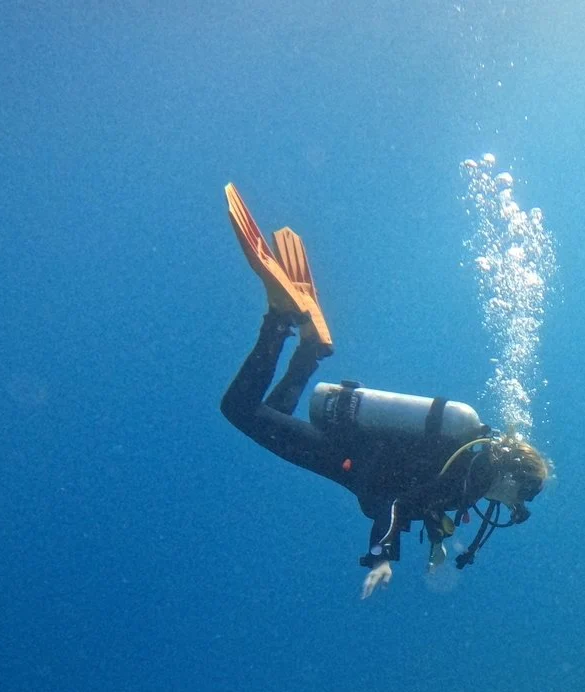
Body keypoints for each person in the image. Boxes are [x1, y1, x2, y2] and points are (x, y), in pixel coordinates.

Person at [218, 184, 549, 598]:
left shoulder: (472, 464)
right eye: (523, 495)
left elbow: (424, 495)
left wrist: (437, 542)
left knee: (271, 415)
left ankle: (308, 351)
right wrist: (382, 557)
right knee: (240, 410)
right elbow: (397, 502)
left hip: (355, 453)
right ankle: (281, 321)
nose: (516, 506)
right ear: (511, 475)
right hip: (347, 459)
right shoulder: (469, 476)